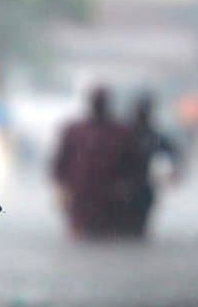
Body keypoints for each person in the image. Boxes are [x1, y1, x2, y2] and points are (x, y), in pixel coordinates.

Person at [51, 85, 135, 239]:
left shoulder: (121, 132)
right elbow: (60, 162)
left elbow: (131, 164)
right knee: (83, 235)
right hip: (81, 196)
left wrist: (125, 187)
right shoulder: (75, 131)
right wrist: (62, 190)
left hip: (108, 198)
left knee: (106, 236)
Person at [121, 92, 183, 238]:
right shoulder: (124, 134)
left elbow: (174, 153)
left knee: (136, 229)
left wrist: (174, 172)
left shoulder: (152, 136)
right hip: (125, 188)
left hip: (141, 188)